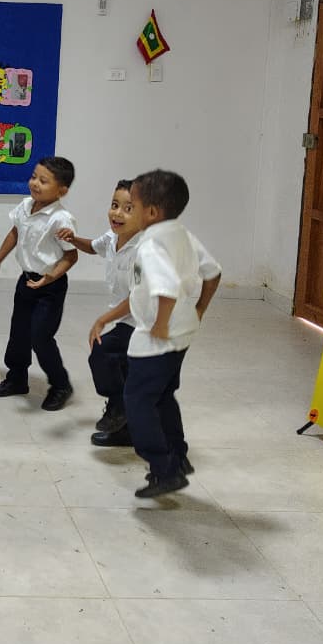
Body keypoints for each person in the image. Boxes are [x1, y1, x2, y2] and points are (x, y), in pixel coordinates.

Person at [88, 169, 221, 498]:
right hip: (183, 333)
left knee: (138, 403)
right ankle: (178, 457)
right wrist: (199, 309)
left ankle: (163, 470)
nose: (125, 211)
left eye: (131, 205)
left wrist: (160, 324)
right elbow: (213, 272)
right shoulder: (181, 234)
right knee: (162, 398)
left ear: (151, 212)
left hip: (157, 340)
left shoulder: (149, 246)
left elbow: (165, 288)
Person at [0, 156, 78, 410]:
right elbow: (15, 232)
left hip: (50, 287)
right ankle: (17, 378)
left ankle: (60, 384)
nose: (35, 183)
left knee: (40, 337)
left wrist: (50, 277)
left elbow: (71, 256)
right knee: (19, 332)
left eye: (43, 181)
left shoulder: (61, 219)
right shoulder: (26, 206)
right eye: (34, 177)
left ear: (62, 191)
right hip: (26, 281)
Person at [58, 179, 141, 446]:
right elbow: (94, 246)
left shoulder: (144, 250)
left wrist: (103, 320)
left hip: (146, 323)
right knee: (124, 369)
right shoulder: (113, 238)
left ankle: (118, 407)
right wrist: (73, 239)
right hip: (127, 320)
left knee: (102, 351)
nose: (118, 213)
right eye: (115, 205)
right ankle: (126, 430)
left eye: (128, 208)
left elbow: (138, 299)